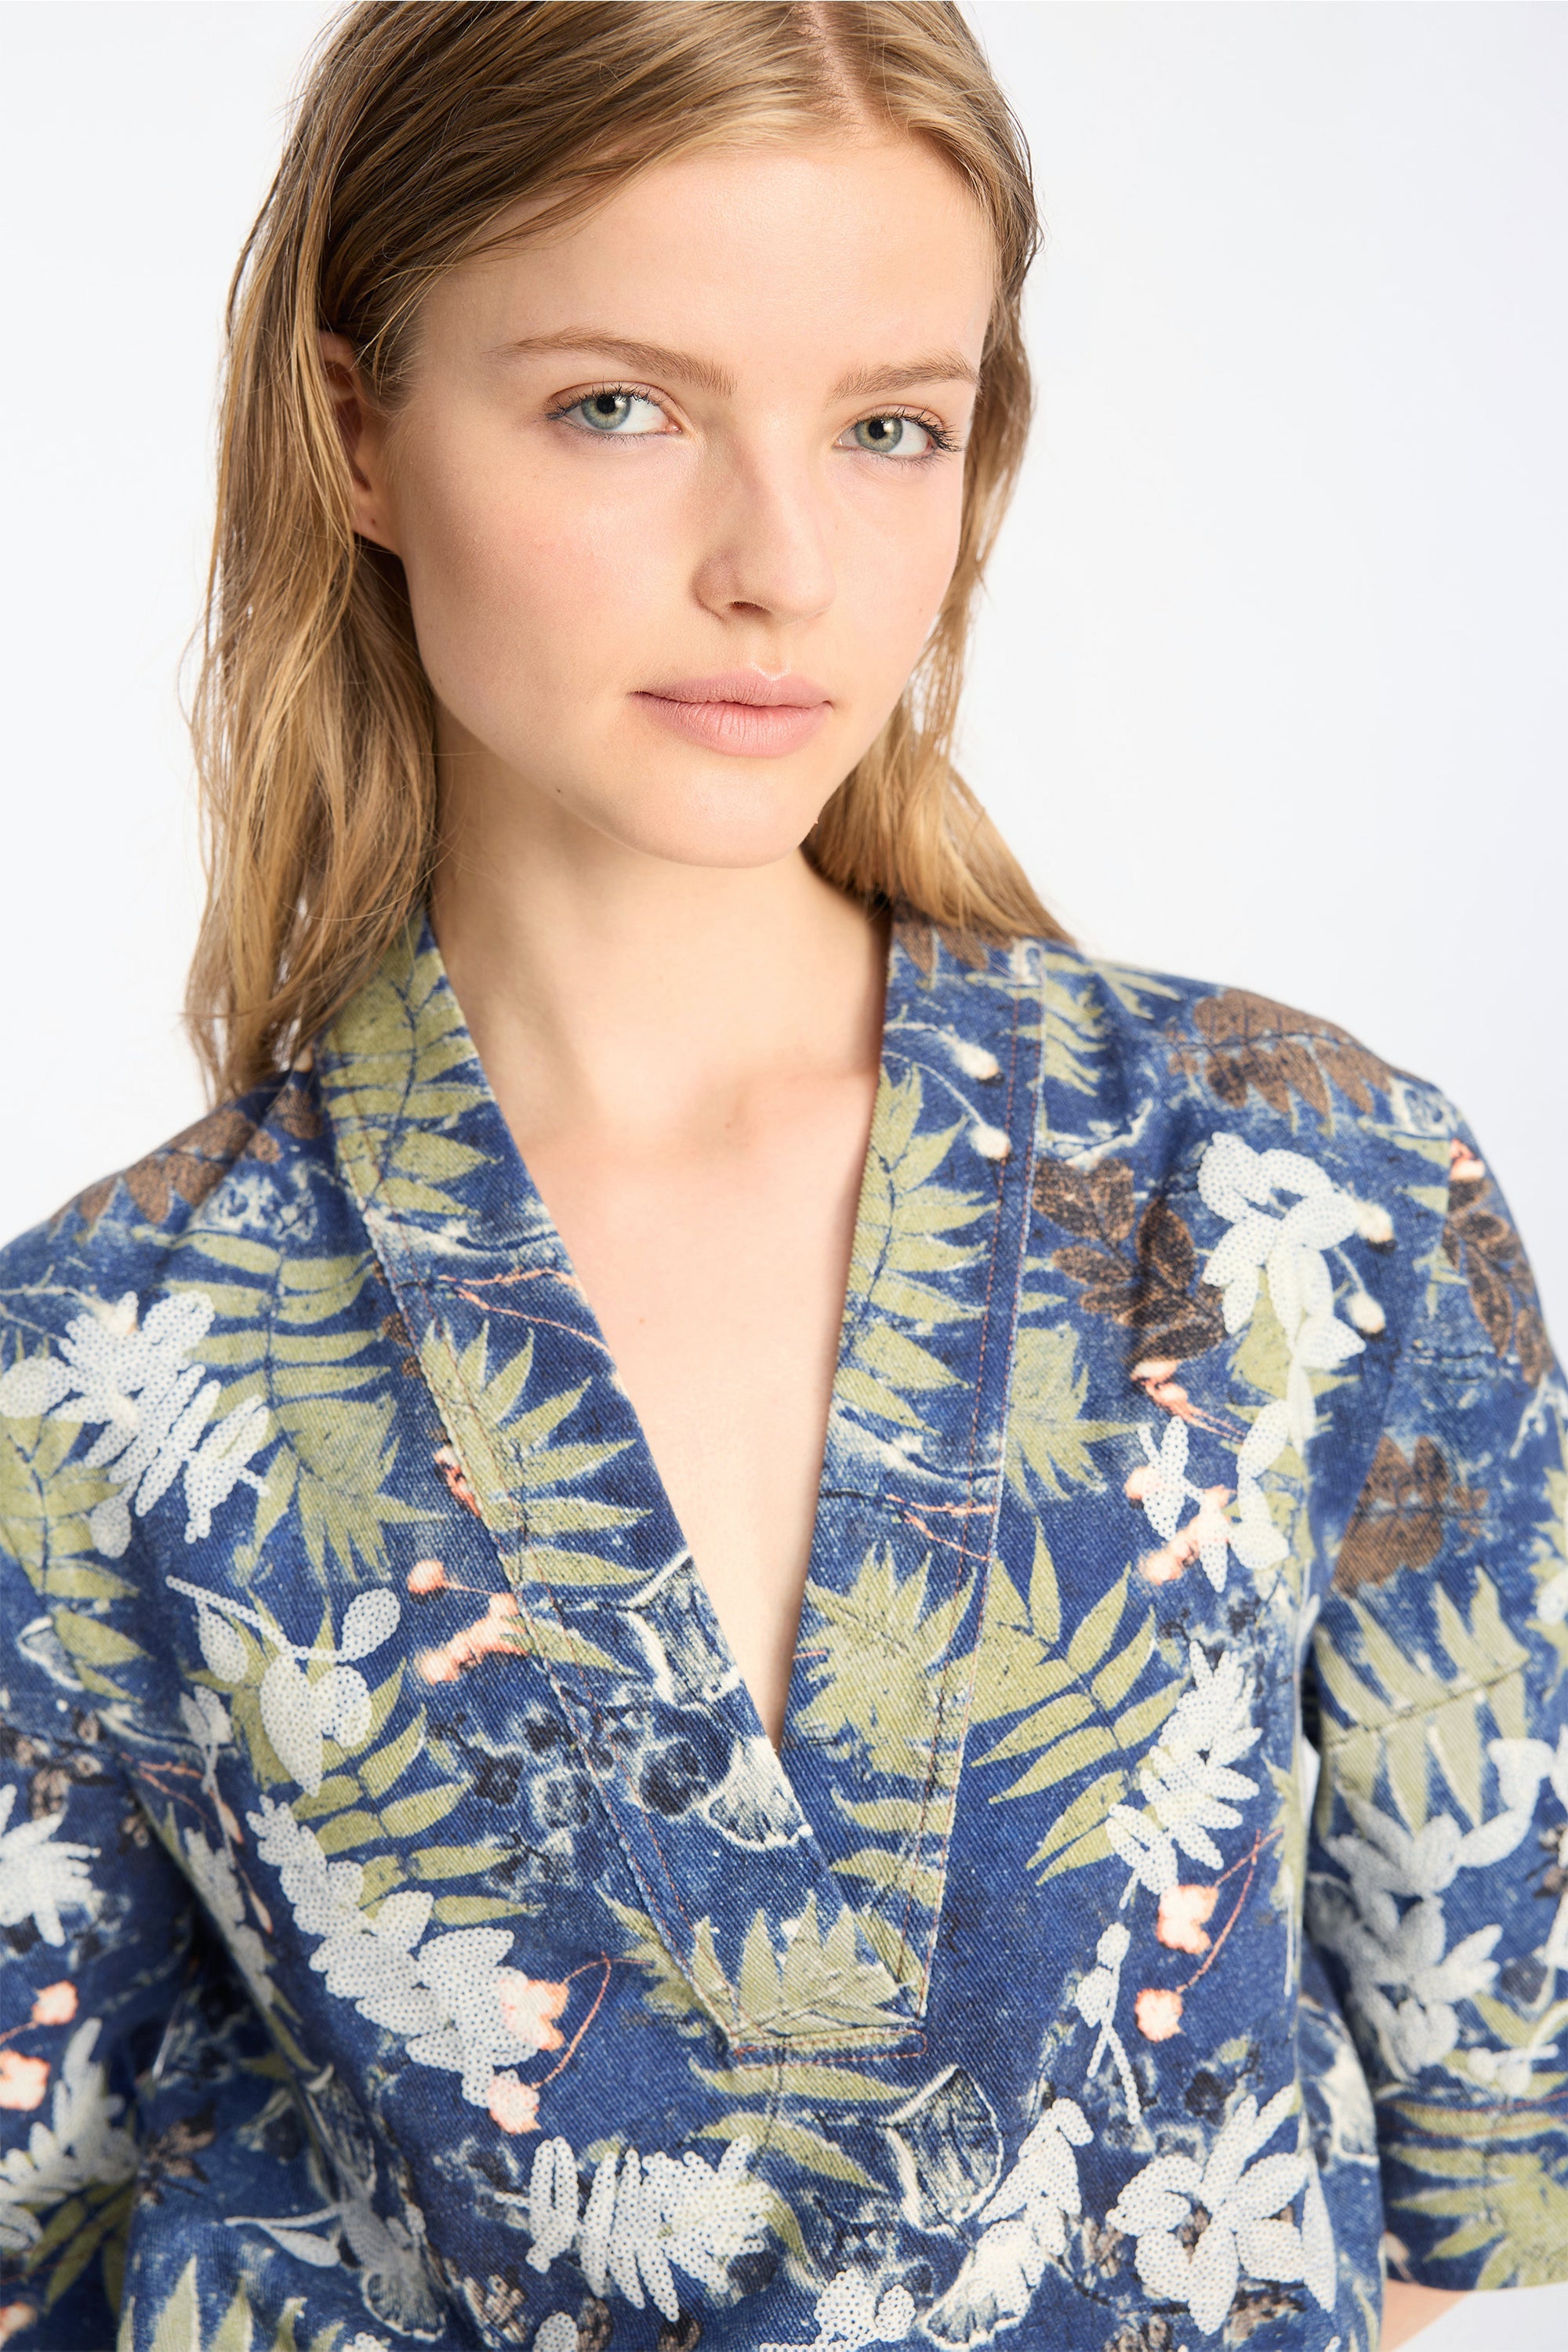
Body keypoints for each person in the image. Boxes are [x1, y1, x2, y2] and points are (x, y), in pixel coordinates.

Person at [0, 5, 1560, 2347]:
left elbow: (1469, 2164)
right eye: (619, 407)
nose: (781, 564)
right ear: (358, 431)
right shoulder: (99, 1366)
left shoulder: (1303, 1197)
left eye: (888, 426)